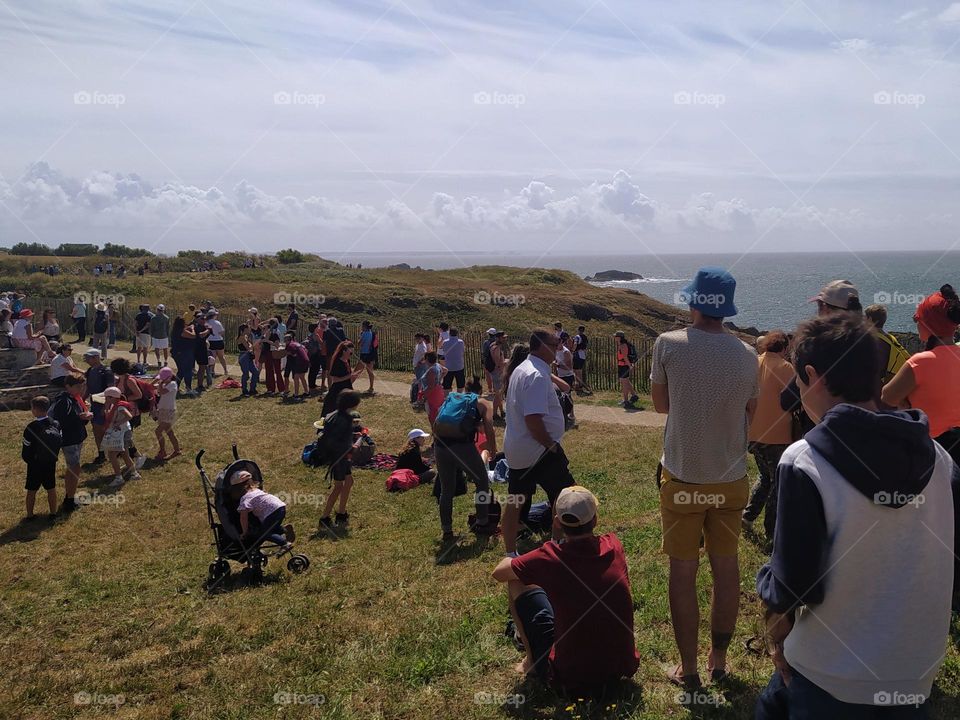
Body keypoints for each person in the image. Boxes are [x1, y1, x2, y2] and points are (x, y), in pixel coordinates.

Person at [755, 313, 958, 719]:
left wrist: (768, 588)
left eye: (799, 381)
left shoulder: (805, 461)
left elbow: (795, 585)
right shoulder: (941, 460)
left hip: (827, 673)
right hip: (914, 676)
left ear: (813, 376)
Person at [650, 267, 758, 688]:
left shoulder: (668, 345)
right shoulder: (748, 355)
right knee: (726, 568)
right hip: (730, 480)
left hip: (682, 479)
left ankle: (689, 669)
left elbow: (661, 407)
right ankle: (719, 661)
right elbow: (751, 413)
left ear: (695, 301)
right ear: (726, 306)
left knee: (683, 571)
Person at [491, 485, 640, 696]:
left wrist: (520, 558)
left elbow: (499, 573)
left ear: (557, 522)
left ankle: (531, 663)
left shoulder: (549, 556)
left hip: (569, 676)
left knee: (516, 580)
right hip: (620, 667)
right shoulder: (614, 545)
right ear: (595, 520)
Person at [501, 329, 576, 557]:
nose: (558, 349)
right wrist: (550, 445)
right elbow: (533, 419)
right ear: (542, 346)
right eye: (555, 345)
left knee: (516, 499)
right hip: (539, 449)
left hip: (519, 448)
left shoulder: (522, 369)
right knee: (564, 493)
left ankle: (510, 552)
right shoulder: (536, 375)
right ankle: (559, 540)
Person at [882, 284, 960, 466]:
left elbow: (887, 398)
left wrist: (905, 401)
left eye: (918, 318)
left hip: (930, 450)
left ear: (928, 324)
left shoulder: (920, 362)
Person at [741, 331, 794, 540]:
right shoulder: (785, 368)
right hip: (777, 435)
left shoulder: (754, 363)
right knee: (777, 482)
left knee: (765, 477)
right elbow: (793, 399)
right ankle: (772, 531)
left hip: (752, 432)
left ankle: (748, 516)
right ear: (783, 348)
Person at [433, 378, 497, 543]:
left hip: (440, 446)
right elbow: (489, 428)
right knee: (482, 482)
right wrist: (493, 449)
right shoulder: (482, 403)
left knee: (446, 490)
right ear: (480, 391)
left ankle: (447, 531)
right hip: (462, 447)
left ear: (465, 389)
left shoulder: (452, 398)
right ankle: (482, 522)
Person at [318, 390, 363, 530]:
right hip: (339, 458)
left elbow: (336, 435)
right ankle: (324, 518)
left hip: (336, 455)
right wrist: (357, 443)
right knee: (338, 486)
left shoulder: (332, 414)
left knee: (349, 482)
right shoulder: (346, 419)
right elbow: (342, 443)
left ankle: (341, 513)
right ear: (353, 404)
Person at [49, 375, 93, 513]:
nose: (81, 389)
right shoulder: (64, 401)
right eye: (78, 387)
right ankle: (69, 501)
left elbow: (79, 419)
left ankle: (70, 496)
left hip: (76, 437)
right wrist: (80, 417)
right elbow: (60, 421)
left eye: (82, 386)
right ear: (68, 386)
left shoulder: (75, 398)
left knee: (74, 468)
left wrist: (84, 417)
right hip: (69, 439)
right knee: (74, 468)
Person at [232, 470, 294, 549]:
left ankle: (284, 543)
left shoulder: (245, 498)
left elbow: (243, 517)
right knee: (271, 527)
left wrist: (245, 532)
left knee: (264, 533)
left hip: (271, 512)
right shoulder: (257, 491)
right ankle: (284, 530)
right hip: (280, 507)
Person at [22, 395, 61, 520]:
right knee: (51, 488)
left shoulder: (31, 427)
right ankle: (53, 513)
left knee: (32, 489)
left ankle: (30, 514)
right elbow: (60, 440)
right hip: (50, 461)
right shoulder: (55, 423)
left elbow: (26, 447)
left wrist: (29, 460)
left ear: (35, 410)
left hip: (35, 463)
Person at [98, 387, 140, 489]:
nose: (105, 399)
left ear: (111, 397)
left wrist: (118, 423)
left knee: (112, 454)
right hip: (120, 433)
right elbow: (106, 415)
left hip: (122, 433)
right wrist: (107, 406)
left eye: (106, 398)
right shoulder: (113, 406)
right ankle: (134, 473)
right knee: (124, 454)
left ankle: (118, 478)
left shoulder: (120, 407)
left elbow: (129, 416)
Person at [109, 357, 146, 470]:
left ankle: (137, 456)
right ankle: (132, 458)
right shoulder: (118, 379)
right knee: (125, 436)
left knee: (126, 437)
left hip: (131, 412)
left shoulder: (129, 380)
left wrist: (123, 398)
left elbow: (138, 395)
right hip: (122, 411)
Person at [82, 347, 114, 463]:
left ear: (96, 358)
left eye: (89, 358)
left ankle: (116, 451)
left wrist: (106, 406)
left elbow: (111, 391)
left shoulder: (106, 371)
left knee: (107, 429)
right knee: (96, 429)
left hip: (104, 404)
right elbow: (88, 388)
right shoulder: (90, 371)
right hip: (94, 404)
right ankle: (101, 453)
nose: (87, 360)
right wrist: (82, 400)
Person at [865, 303, 909, 385]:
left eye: (865, 318)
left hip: (880, 388)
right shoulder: (890, 338)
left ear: (870, 319)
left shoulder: (874, 341)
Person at [320, 340, 364, 415]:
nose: (351, 354)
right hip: (337, 392)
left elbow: (348, 377)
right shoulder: (337, 362)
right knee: (332, 414)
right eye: (350, 352)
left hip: (346, 390)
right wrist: (349, 376)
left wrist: (354, 375)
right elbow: (335, 380)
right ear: (344, 351)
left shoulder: (347, 361)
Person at [151, 367, 181, 461]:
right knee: (169, 432)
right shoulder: (164, 383)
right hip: (162, 410)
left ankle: (162, 451)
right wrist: (157, 379)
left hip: (169, 411)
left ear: (169, 377)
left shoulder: (172, 384)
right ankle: (177, 450)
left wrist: (160, 384)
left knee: (158, 431)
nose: (161, 380)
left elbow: (162, 392)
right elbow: (151, 386)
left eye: (162, 378)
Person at [170, 316, 196, 396]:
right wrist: (192, 328)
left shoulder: (175, 330)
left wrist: (188, 327)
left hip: (176, 353)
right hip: (183, 353)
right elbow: (193, 336)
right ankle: (188, 388)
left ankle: (176, 387)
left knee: (181, 370)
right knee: (188, 370)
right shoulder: (181, 331)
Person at [614, 331, 639, 409]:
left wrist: (630, 366)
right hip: (622, 365)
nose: (614, 338)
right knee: (626, 381)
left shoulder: (623, 345)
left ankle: (626, 400)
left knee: (624, 383)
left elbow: (625, 357)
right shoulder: (621, 345)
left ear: (619, 337)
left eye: (616, 336)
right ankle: (634, 395)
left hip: (624, 366)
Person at [422, 351, 447, 426]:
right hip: (439, 391)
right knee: (438, 411)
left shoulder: (431, 371)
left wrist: (424, 397)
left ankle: (435, 431)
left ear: (427, 359)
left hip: (433, 394)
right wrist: (439, 379)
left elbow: (430, 387)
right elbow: (446, 370)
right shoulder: (437, 365)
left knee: (433, 413)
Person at [283, 332, 310, 401]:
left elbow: (294, 354)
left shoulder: (290, 345)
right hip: (306, 360)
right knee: (302, 377)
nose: (284, 342)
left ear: (287, 340)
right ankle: (307, 392)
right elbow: (305, 350)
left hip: (300, 362)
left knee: (296, 378)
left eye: (285, 340)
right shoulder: (297, 343)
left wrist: (286, 352)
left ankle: (296, 395)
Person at [258, 327, 285, 397]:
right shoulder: (263, 337)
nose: (263, 331)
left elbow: (277, 345)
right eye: (263, 329)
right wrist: (261, 343)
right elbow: (260, 347)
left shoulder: (274, 335)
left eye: (264, 329)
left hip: (275, 354)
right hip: (267, 355)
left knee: (277, 371)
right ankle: (270, 389)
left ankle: (281, 389)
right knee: (269, 371)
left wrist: (267, 341)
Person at [191, 312, 212, 393]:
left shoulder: (204, 327)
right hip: (195, 349)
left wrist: (208, 329)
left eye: (204, 318)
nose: (204, 320)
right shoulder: (195, 327)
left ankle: (200, 385)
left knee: (202, 367)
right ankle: (188, 385)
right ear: (197, 319)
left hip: (202, 349)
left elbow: (206, 336)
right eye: (201, 318)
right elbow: (201, 335)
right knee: (189, 368)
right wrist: (208, 330)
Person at [236, 324, 259, 397]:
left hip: (248, 356)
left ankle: (252, 389)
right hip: (243, 356)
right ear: (244, 330)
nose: (249, 330)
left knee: (255, 372)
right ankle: (244, 390)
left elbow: (250, 346)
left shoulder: (246, 337)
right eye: (248, 329)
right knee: (246, 374)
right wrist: (251, 345)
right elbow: (247, 347)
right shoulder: (242, 338)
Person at [441, 327, 466, 393]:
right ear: (457, 333)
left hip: (448, 366)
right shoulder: (461, 342)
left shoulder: (445, 342)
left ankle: (448, 398)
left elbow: (443, 350)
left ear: (449, 333)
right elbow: (463, 351)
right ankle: (459, 398)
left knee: (447, 385)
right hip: (459, 366)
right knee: (460, 385)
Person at [490, 331, 508, 422]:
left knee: (499, 394)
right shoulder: (496, 348)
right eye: (503, 337)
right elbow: (498, 363)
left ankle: (501, 411)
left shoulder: (493, 345)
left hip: (496, 373)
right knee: (498, 395)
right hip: (497, 373)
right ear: (498, 338)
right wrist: (506, 362)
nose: (505, 339)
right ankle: (494, 414)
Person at [358, 320, 378, 394]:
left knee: (358, 370)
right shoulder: (372, 333)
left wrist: (360, 337)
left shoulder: (364, 333)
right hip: (371, 354)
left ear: (364, 326)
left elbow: (360, 343)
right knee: (370, 371)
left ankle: (350, 384)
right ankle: (371, 387)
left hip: (364, 353)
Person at [206, 309, 227, 377]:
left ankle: (212, 371)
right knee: (221, 357)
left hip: (210, 341)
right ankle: (225, 370)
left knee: (212, 357)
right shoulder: (217, 322)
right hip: (218, 341)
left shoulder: (206, 322)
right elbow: (222, 332)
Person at [305, 322, 324, 395]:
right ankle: (311, 386)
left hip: (311, 354)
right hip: (315, 354)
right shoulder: (316, 335)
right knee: (314, 370)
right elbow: (321, 342)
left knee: (313, 370)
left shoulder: (310, 335)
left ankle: (312, 384)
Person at [572, 325, 592, 394]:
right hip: (583, 355)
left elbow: (575, 344)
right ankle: (579, 385)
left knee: (576, 371)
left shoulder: (577, 337)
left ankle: (578, 386)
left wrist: (573, 350)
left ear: (578, 330)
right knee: (579, 370)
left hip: (577, 355)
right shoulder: (585, 337)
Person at [150, 304, 171, 368]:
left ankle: (159, 360)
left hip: (156, 335)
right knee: (165, 349)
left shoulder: (153, 318)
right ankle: (165, 360)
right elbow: (168, 327)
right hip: (164, 335)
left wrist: (151, 334)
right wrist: (167, 334)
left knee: (157, 348)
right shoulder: (166, 318)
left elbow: (152, 328)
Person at [481, 327, 498, 394]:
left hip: (487, 361)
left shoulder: (486, 342)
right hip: (495, 360)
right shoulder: (497, 342)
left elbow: (484, 352)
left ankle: (490, 389)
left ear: (489, 334)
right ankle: (495, 389)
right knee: (495, 376)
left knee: (488, 376)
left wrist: (483, 361)